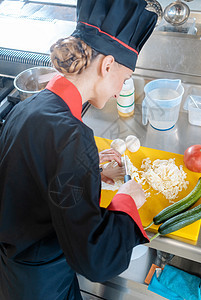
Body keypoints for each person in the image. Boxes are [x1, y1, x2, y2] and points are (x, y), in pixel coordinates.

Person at [0, 0, 157, 299]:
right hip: (43, 280)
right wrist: (127, 201)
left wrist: (89, 170)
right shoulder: (73, 138)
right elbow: (95, 259)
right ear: (107, 65)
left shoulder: (33, 105)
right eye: (123, 80)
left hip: (16, 270)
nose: (118, 91)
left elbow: (31, 174)